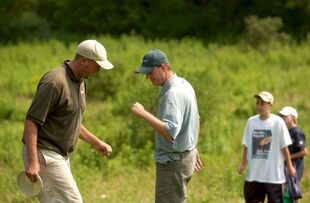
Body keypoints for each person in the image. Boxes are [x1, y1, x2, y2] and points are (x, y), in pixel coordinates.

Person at [22, 39, 114, 202]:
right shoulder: (55, 82)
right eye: (97, 66)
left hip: (60, 155)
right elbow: (31, 121)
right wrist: (32, 161)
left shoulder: (81, 81)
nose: (98, 71)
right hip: (45, 153)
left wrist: (96, 142)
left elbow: (70, 120)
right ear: (84, 60)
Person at [131, 48, 203, 203]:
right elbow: (195, 119)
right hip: (184, 157)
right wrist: (192, 147)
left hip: (173, 163)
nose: (147, 77)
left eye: (150, 73)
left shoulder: (172, 93)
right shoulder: (184, 84)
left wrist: (143, 113)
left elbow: (170, 132)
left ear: (163, 67)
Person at [238, 91, 296, 203]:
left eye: (262, 103)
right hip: (254, 174)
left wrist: (289, 166)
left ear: (270, 105)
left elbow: (284, 147)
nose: (259, 106)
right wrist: (243, 164)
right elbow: (246, 145)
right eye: (257, 103)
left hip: (273, 176)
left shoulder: (278, 122)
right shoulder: (251, 122)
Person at [278, 106, 308, 203]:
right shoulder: (285, 131)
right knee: (285, 189)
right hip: (287, 164)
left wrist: (288, 157)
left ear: (293, 117)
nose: (283, 117)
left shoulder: (297, 132)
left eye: (285, 116)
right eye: (282, 116)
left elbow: (304, 152)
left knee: (293, 189)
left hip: (295, 165)